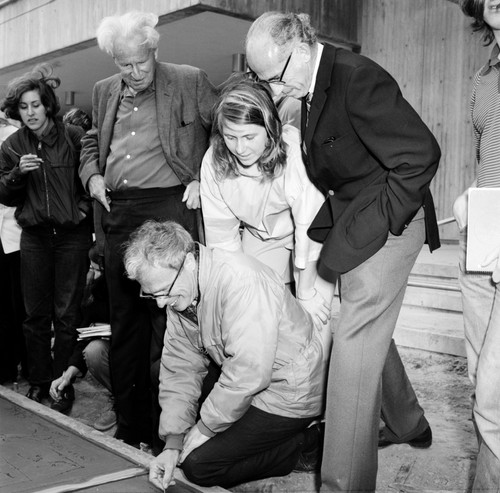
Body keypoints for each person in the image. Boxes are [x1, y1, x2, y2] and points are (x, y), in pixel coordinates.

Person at [245, 12, 441, 492]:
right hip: (354, 219)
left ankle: (341, 485)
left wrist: (376, 227)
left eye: (276, 76)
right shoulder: (306, 88)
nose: (273, 89)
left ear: (303, 43)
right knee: (360, 319)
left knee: (351, 347)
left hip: (389, 220)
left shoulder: (356, 77)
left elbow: (420, 155)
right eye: (262, 79)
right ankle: (406, 420)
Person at [79, 11, 218, 450]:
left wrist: (204, 176)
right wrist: (92, 176)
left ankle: (169, 428)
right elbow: (89, 143)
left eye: (141, 62)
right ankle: (129, 426)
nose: (134, 72)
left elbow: (225, 126)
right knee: (126, 326)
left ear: (154, 51)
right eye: (124, 64)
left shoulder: (188, 80)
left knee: (171, 322)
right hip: (119, 208)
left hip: (170, 205)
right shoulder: (104, 92)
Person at [123, 219, 327, 490]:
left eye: (163, 292)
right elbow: (179, 367)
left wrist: (206, 427)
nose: (161, 302)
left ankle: (305, 444)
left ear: (188, 263)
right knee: (159, 370)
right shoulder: (179, 289)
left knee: (199, 465)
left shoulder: (241, 281)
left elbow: (248, 371)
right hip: (251, 381)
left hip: (289, 392)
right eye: (152, 295)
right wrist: (173, 441)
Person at [200, 78, 332, 327]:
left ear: (270, 128)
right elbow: (222, 240)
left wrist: (305, 292)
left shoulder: (295, 154)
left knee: (314, 316)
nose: (240, 148)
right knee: (250, 310)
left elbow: (309, 228)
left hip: (313, 234)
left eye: (249, 136)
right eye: (230, 137)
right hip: (261, 235)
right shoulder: (213, 161)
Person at [0, 64, 92, 413]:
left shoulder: (71, 136)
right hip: (35, 237)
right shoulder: (12, 145)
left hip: (72, 236)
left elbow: (91, 177)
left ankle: (61, 384)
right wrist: (15, 175)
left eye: (35, 105)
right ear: (16, 110)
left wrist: (82, 212)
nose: (30, 112)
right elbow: (4, 195)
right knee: (34, 315)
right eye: (23, 107)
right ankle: (39, 383)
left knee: (66, 313)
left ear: (47, 104)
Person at [454, 1, 500, 489]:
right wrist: (473, 195)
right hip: (484, 232)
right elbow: (488, 156)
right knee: (480, 386)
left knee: (495, 397)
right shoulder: (482, 78)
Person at [0, 111, 26, 384]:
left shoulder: (11, 137)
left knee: (20, 306)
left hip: (16, 235)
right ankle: (5, 366)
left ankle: (26, 365)